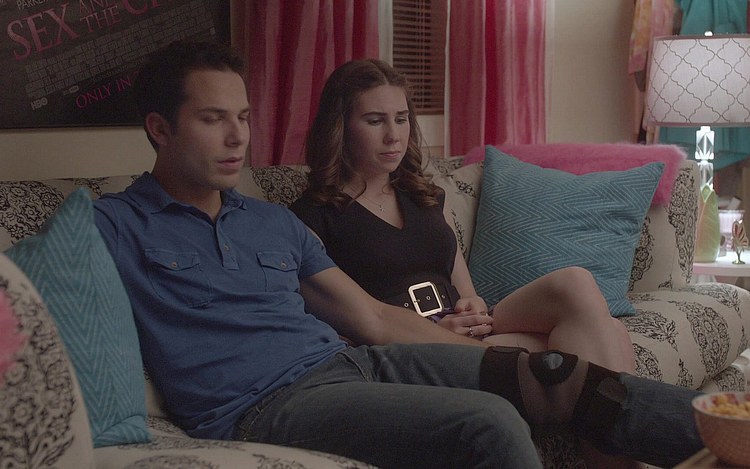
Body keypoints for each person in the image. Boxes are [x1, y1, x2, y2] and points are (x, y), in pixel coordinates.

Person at [93, 40, 702, 469]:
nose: (237, 137)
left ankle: (742, 430)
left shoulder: (270, 222)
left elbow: (374, 318)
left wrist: (502, 362)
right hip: (264, 406)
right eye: (212, 119)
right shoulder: (113, 225)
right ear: (160, 128)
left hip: (353, 364)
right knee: (490, 422)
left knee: (560, 376)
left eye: (244, 118)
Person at [289, 58, 638, 468]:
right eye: (374, 121)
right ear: (341, 127)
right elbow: (348, 325)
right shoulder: (312, 219)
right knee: (607, 339)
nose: (393, 135)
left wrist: (471, 305)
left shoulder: (424, 196)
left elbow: (467, 291)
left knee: (575, 284)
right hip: (411, 353)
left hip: (472, 332)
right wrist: (436, 332)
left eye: (401, 119)